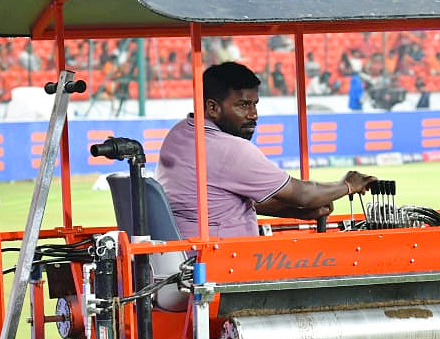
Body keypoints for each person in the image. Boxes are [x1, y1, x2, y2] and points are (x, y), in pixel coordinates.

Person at [157, 62, 376, 238]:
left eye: (255, 104)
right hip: (220, 265)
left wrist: (294, 212)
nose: (253, 114)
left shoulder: (179, 133)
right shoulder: (230, 149)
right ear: (212, 107)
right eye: (243, 105)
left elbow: (220, 203)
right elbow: (304, 194)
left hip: (186, 258)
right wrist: (348, 184)